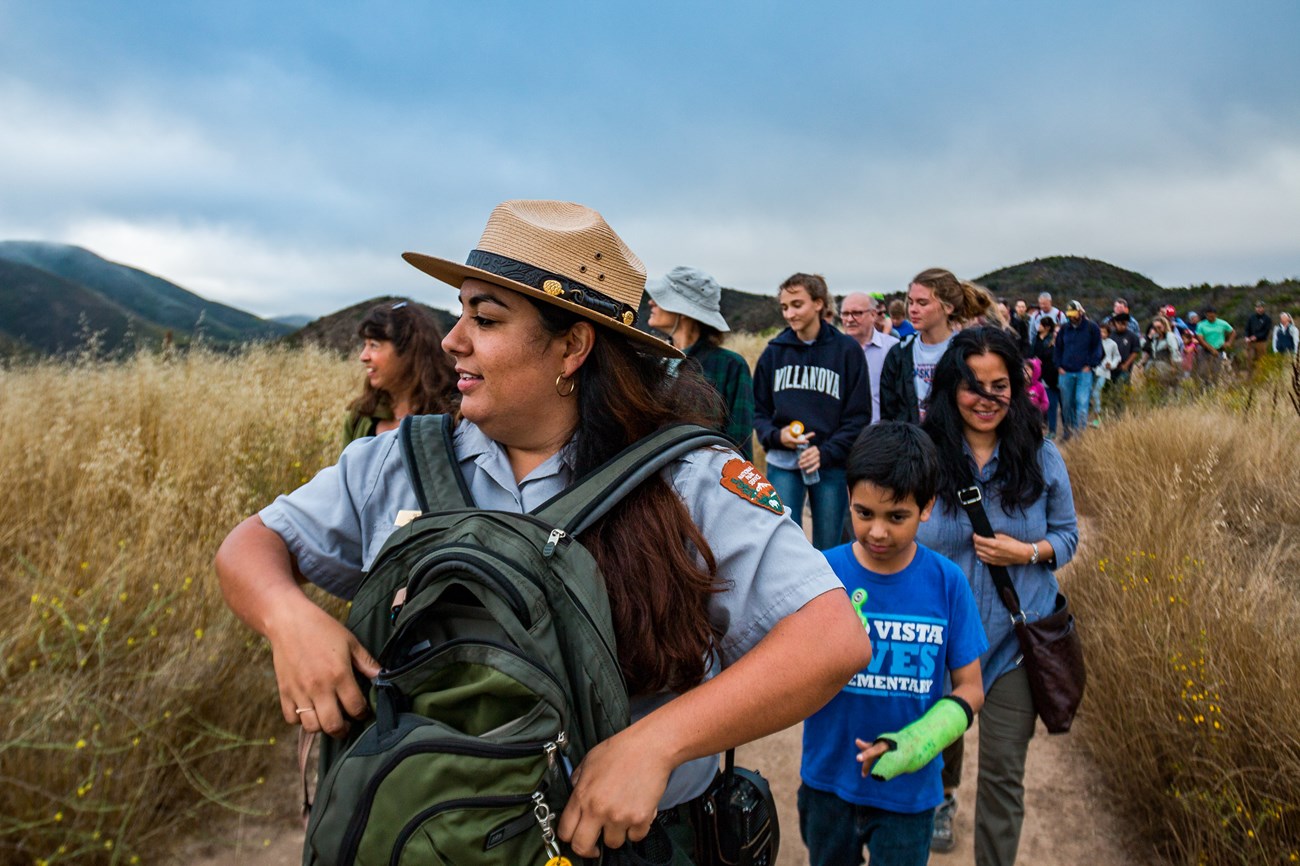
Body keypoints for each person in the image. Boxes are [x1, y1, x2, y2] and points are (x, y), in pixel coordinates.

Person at [214, 200, 873, 862]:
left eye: (486, 318)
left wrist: (657, 742)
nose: (452, 339)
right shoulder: (403, 459)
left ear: (572, 346)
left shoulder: (686, 479)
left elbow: (830, 639)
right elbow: (251, 546)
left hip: (621, 843)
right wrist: (287, 618)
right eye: (460, 311)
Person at [916, 326, 1080, 866]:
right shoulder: (924, 458)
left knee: (1004, 779)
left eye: (999, 385)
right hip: (939, 646)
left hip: (1015, 643)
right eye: (973, 386)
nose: (987, 399)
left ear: (1016, 386)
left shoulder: (1041, 455)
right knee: (928, 762)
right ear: (949, 388)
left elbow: (1067, 537)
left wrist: (1026, 552)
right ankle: (932, 816)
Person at [799, 422, 986, 866]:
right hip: (828, 781)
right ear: (847, 499)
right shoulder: (822, 574)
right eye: (864, 513)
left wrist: (917, 742)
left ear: (927, 507)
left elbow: (971, 688)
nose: (878, 532)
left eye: (896, 517)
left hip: (911, 790)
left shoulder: (948, 583)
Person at [754, 274, 871, 551]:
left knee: (830, 544)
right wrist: (776, 435)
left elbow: (858, 417)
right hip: (783, 464)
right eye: (784, 307)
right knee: (782, 543)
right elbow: (758, 411)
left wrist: (825, 451)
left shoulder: (847, 351)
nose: (790, 314)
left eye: (797, 305)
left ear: (818, 303)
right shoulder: (773, 353)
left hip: (829, 464)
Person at [646, 266, 755, 459]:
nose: (651, 302)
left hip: (702, 480)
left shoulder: (729, 365)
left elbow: (739, 443)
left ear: (683, 310)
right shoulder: (653, 361)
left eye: (662, 298)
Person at [879, 268, 995, 425]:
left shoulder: (967, 352)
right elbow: (889, 413)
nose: (913, 309)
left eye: (922, 303)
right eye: (911, 302)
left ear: (948, 307)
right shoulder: (899, 353)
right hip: (911, 446)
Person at [342, 300, 458, 446]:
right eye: (365, 345)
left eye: (374, 345)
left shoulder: (453, 415)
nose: (363, 356)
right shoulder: (361, 415)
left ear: (409, 352)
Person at [840, 291, 900, 425]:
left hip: (881, 435)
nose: (849, 319)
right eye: (845, 314)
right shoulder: (832, 351)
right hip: (843, 437)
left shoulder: (892, 349)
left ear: (873, 315)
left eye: (857, 313)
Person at [1053, 300, 1102, 440]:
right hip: (1065, 372)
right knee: (1067, 405)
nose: (1072, 317)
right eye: (1069, 314)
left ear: (1081, 312)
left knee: (1082, 403)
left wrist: (1090, 365)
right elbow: (1058, 348)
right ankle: (1068, 431)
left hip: (1084, 372)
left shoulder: (1092, 328)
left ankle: (1080, 436)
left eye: (1074, 313)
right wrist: (1059, 366)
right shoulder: (1064, 329)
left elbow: (1097, 348)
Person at [1030, 318, 1060, 439]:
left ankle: (1063, 430)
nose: (1038, 326)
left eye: (1041, 324)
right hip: (1043, 377)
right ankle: (1049, 428)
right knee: (1047, 404)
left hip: (1057, 377)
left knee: (1059, 405)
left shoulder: (1056, 343)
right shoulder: (1040, 341)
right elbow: (1034, 354)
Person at [1090, 322, 1120, 426]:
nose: (1102, 334)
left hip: (1104, 372)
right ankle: (1095, 416)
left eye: (1104, 332)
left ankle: (1097, 419)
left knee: (1097, 393)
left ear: (1108, 333)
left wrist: (1111, 364)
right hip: (1093, 370)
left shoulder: (1112, 344)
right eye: (1100, 331)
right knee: (1092, 394)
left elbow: (1117, 357)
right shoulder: (1093, 342)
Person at [1142, 315, 1182, 388]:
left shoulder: (1169, 336)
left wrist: (1175, 367)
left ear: (1164, 326)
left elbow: (1174, 351)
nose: (1157, 330)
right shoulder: (1154, 338)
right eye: (1155, 328)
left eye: (1159, 327)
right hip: (1154, 368)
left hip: (1166, 366)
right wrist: (1149, 337)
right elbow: (1144, 347)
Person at [1194, 307, 1235, 378]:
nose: (1211, 318)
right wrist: (1211, 349)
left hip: (1219, 350)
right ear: (1206, 315)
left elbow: (1232, 332)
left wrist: (1229, 342)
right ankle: (1204, 386)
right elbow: (1200, 339)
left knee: (1216, 371)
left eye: (1212, 316)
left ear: (1216, 315)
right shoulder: (1201, 325)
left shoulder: (1222, 323)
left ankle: (1215, 386)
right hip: (1205, 350)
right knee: (1203, 371)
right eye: (1209, 316)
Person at [1244, 301, 1273, 370]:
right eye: (1257, 307)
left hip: (1261, 342)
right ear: (1255, 308)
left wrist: (1256, 336)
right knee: (1250, 361)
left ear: (1263, 308)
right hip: (1250, 343)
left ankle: (1260, 377)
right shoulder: (1251, 317)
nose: (1259, 309)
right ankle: (1250, 378)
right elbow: (1247, 329)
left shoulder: (1267, 319)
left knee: (1261, 361)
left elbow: (1266, 331)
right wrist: (1246, 337)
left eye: (1260, 307)